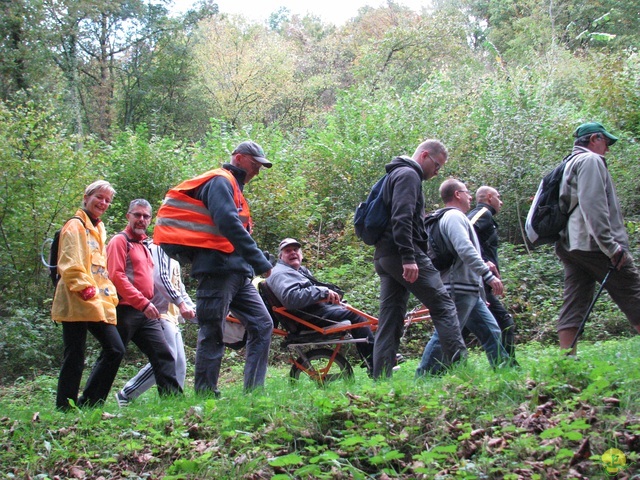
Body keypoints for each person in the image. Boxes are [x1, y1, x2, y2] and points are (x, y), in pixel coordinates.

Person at [153, 140, 274, 395]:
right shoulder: (220, 180)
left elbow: (235, 229)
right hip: (217, 270)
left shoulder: (235, 187)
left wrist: (253, 260)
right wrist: (260, 262)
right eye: (255, 164)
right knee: (212, 331)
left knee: (262, 324)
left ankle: (254, 392)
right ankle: (206, 395)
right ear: (239, 158)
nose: (257, 171)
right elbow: (227, 223)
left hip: (237, 272)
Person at [372, 139, 467, 379]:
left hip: (385, 255)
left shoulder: (396, 174)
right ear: (424, 155)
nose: (437, 172)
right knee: (444, 305)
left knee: (391, 318)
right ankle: (461, 369)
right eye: (437, 165)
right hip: (402, 253)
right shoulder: (408, 175)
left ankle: (380, 379)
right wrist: (409, 257)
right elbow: (401, 217)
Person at [556, 122, 640, 352]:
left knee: (574, 300)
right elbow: (593, 206)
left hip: (570, 245)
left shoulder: (568, 163)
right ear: (594, 139)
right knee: (633, 290)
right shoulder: (590, 161)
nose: (608, 149)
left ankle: (566, 364)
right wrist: (611, 247)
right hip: (593, 244)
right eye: (606, 142)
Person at [416, 179, 509, 376]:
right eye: (467, 192)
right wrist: (488, 275)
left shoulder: (453, 217)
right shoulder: (454, 216)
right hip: (458, 287)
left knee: (492, 331)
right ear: (457, 194)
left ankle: (506, 372)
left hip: (468, 288)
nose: (470, 197)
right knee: (446, 333)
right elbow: (464, 249)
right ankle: (423, 377)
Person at [52, 180, 125, 411]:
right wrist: (85, 287)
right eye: (99, 197)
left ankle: (90, 402)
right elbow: (70, 263)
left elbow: (100, 268)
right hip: (76, 298)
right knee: (75, 354)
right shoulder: (74, 226)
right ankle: (65, 407)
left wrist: (109, 294)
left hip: (96, 300)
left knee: (115, 349)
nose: (103, 203)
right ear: (86, 197)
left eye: (107, 200)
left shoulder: (99, 228)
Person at [107, 199, 182, 398]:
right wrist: (142, 302)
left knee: (164, 355)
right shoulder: (120, 241)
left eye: (145, 216)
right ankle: (90, 402)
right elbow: (116, 275)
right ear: (128, 216)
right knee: (112, 355)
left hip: (146, 312)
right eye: (137, 215)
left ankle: (173, 401)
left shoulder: (144, 245)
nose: (141, 219)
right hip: (126, 310)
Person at [267, 238, 375, 371]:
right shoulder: (280, 273)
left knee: (358, 314)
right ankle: (376, 363)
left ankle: (378, 356)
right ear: (281, 256)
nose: (293, 253)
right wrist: (322, 292)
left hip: (313, 312)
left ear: (301, 255)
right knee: (356, 316)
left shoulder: (297, 271)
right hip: (306, 318)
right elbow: (291, 298)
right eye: (288, 251)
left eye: (295, 250)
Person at [114, 240, 196, 406]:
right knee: (166, 358)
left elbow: (180, 289)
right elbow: (160, 278)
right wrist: (181, 304)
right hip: (158, 312)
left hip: (172, 316)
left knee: (179, 362)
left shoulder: (175, 255)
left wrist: (195, 311)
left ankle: (174, 403)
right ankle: (127, 393)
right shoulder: (158, 247)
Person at [465, 186, 518, 365]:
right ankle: (508, 365)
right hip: (476, 280)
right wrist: (482, 263)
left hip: (478, 281)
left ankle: (438, 368)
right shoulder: (482, 213)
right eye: (498, 197)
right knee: (505, 321)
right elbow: (463, 233)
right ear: (488, 197)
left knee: (460, 328)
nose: (501, 201)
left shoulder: (487, 217)